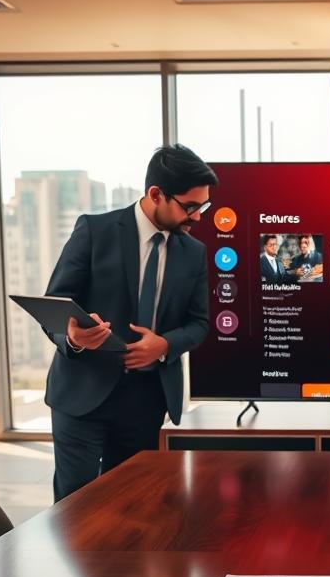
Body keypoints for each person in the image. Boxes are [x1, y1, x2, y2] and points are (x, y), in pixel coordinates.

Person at [43, 144, 217, 500]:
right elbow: (55, 306)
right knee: (74, 508)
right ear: (156, 194)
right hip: (82, 395)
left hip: (147, 400)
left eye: (203, 206)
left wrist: (164, 345)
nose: (198, 216)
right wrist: (74, 337)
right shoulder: (94, 231)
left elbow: (199, 323)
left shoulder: (194, 253)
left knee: (134, 504)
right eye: (190, 206)